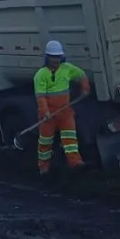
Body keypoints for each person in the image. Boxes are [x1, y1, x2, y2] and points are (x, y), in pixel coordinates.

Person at [34, 40, 90, 175]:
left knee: (70, 139)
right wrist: (45, 112)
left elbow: (81, 74)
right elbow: (40, 96)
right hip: (48, 115)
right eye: (53, 57)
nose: (56, 60)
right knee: (45, 142)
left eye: (58, 57)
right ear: (47, 57)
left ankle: (75, 162)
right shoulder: (41, 74)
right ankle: (43, 167)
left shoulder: (67, 69)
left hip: (65, 111)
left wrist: (85, 87)